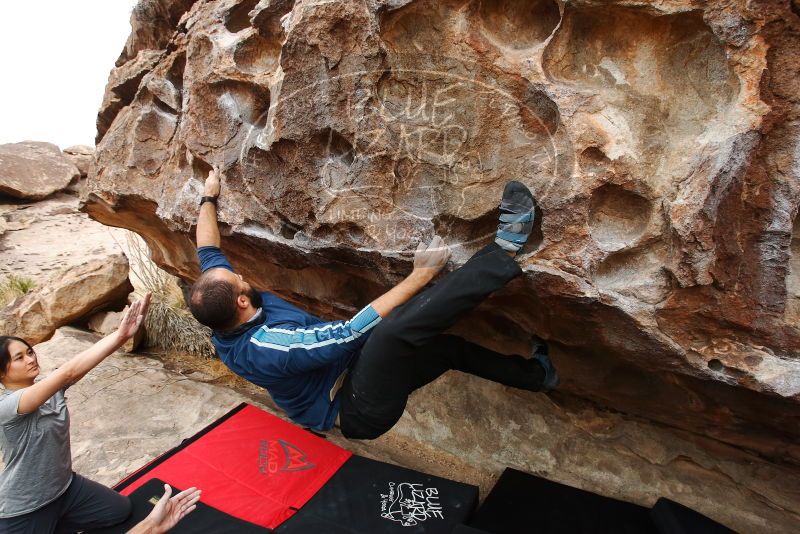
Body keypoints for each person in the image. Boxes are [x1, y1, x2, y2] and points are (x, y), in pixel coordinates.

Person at [190, 169, 559, 440]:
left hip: (353, 374)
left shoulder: (224, 306)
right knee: (391, 335)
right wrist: (419, 276)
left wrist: (208, 196)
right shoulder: (266, 348)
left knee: (446, 349)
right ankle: (505, 249)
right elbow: (349, 333)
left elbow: (207, 248)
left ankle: (540, 376)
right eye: (237, 280)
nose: (238, 273)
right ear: (241, 301)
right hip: (356, 409)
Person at [0, 294, 167, 534]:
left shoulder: (50, 387)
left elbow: (82, 364)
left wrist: (121, 337)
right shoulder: (7, 407)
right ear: (2, 374)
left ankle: (58, 522)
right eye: (19, 358)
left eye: (29, 352)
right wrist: (118, 335)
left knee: (119, 510)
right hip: (27, 507)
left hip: (65, 489)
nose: (30, 359)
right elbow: (68, 372)